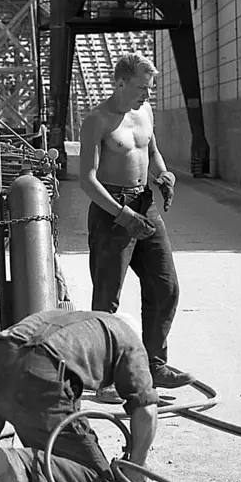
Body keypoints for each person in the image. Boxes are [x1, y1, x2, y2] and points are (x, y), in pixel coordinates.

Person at [0, 308, 159, 482]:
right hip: (36, 378)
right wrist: (137, 464)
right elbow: (147, 410)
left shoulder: (76, 320)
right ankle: (25, 468)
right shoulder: (128, 337)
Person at [79, 52, 193, 390]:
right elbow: (87, 179)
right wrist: (122, 214)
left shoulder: (144, 112)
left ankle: (155, 365)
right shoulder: (96, 120)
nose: (146, 94)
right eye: (142, 88)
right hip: (111, 211)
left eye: (150, 89)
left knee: (165, 286)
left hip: (145, 205)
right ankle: (105, 378)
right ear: (120, 83)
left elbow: (152, 153)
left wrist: (164, 175)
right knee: (107, 298)